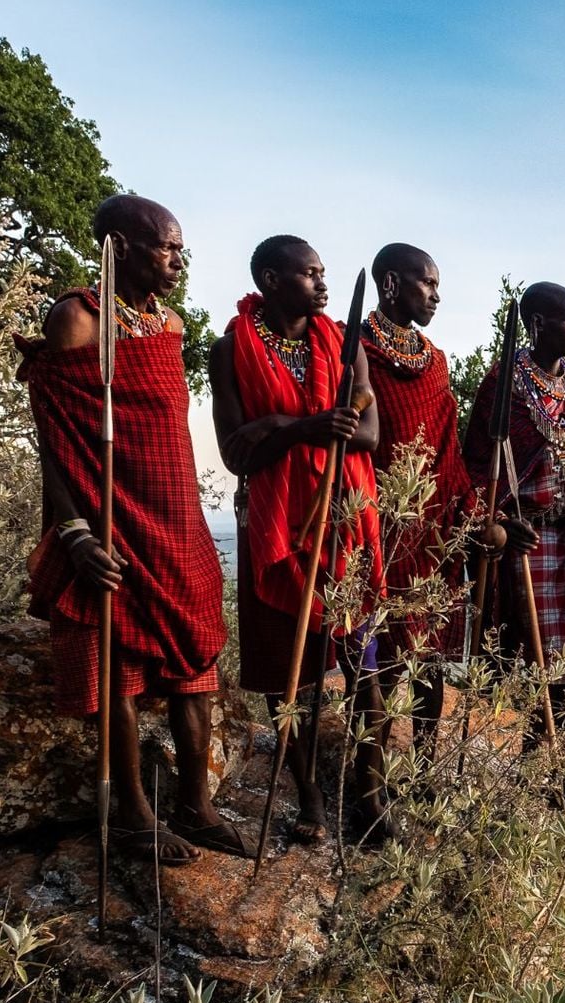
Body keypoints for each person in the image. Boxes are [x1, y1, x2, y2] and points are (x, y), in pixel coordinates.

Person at [21, 194, 246, 866]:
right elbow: (53, 439)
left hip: (174, 513)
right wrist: (76, 534)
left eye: (179, 247)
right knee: (114, 652)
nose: (177, 259)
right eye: (165, 246)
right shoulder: (77, 318)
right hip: (107, 510)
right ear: (119, 245)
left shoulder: (170, 324)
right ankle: (130, 814)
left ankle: (195, 804)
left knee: (199, 647)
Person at [210, 234, 381, 843]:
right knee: (293, 669)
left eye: (324, 272)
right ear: (271, 279)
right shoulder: (230, 348)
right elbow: (235, 452)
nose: (323, 283)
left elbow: (367, 435)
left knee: (362, 663)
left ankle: (371, 795)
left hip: (345, 513)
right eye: (310, 273)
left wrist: (278, 428)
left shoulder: (343, 342)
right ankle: (307, 794)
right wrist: (301, 425)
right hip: (277, 521)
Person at [357, 243, 531, 823]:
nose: (436, 295)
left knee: (429, 658)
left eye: (437, 285)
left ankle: (425, 768)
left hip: (430, 528)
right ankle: (370, 785)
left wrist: (480, 514)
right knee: (375, 660)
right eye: (426, 283)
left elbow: (450, 451)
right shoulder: (351, 347)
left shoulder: (435, 362)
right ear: (389, 283)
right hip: (372, 522)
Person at [461, 282, 565, 711]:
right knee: (529, 662)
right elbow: (477, 466)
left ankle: (556, 768)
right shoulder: (503, 381)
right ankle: (525, 759)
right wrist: (502, 521)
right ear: (539, 323)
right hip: (525, 545)